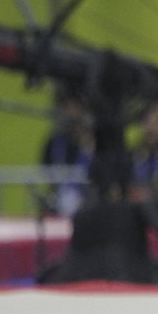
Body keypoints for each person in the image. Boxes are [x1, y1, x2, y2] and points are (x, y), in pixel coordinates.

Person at [39, 86, 95, 217]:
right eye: (67, 107)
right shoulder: (55, 142)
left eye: (75, 107)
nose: (71, 112)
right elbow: (45, 171)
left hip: (89, 204)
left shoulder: (96, 142)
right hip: (60, 202)